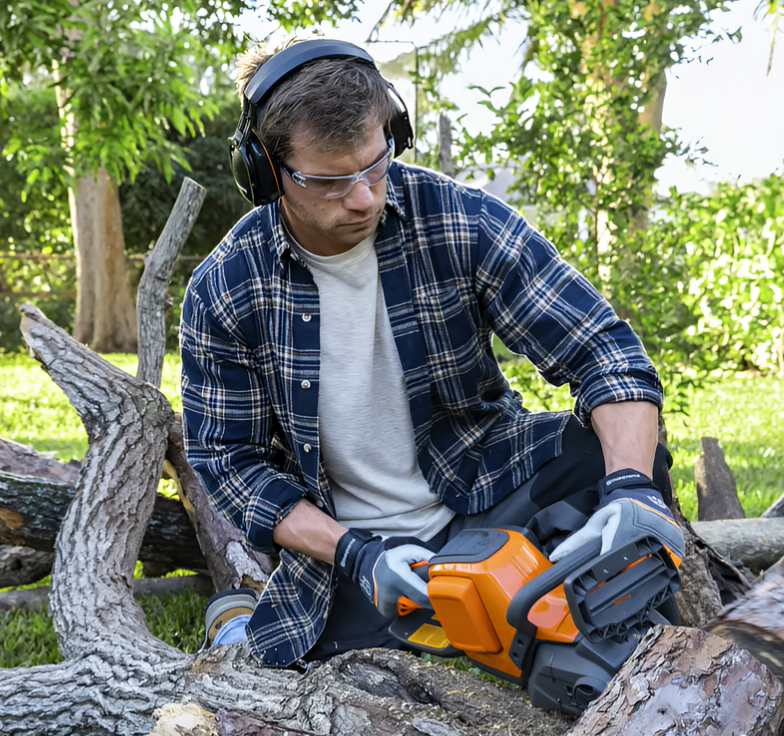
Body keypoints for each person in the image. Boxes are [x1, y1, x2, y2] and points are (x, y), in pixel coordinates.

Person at [180, 38, 684, 669]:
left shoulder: (457, 218)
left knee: (601, 456)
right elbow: (230, 463)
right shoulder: (225, 288)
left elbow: (605, 352)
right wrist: (357, 554)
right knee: (281, 664)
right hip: (355, 557)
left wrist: (633, 489)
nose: (364, 197)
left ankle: (632, 629)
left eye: (374, 163)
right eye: (332, 180)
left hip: (486, 491)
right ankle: (237, 619)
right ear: (265, 170)